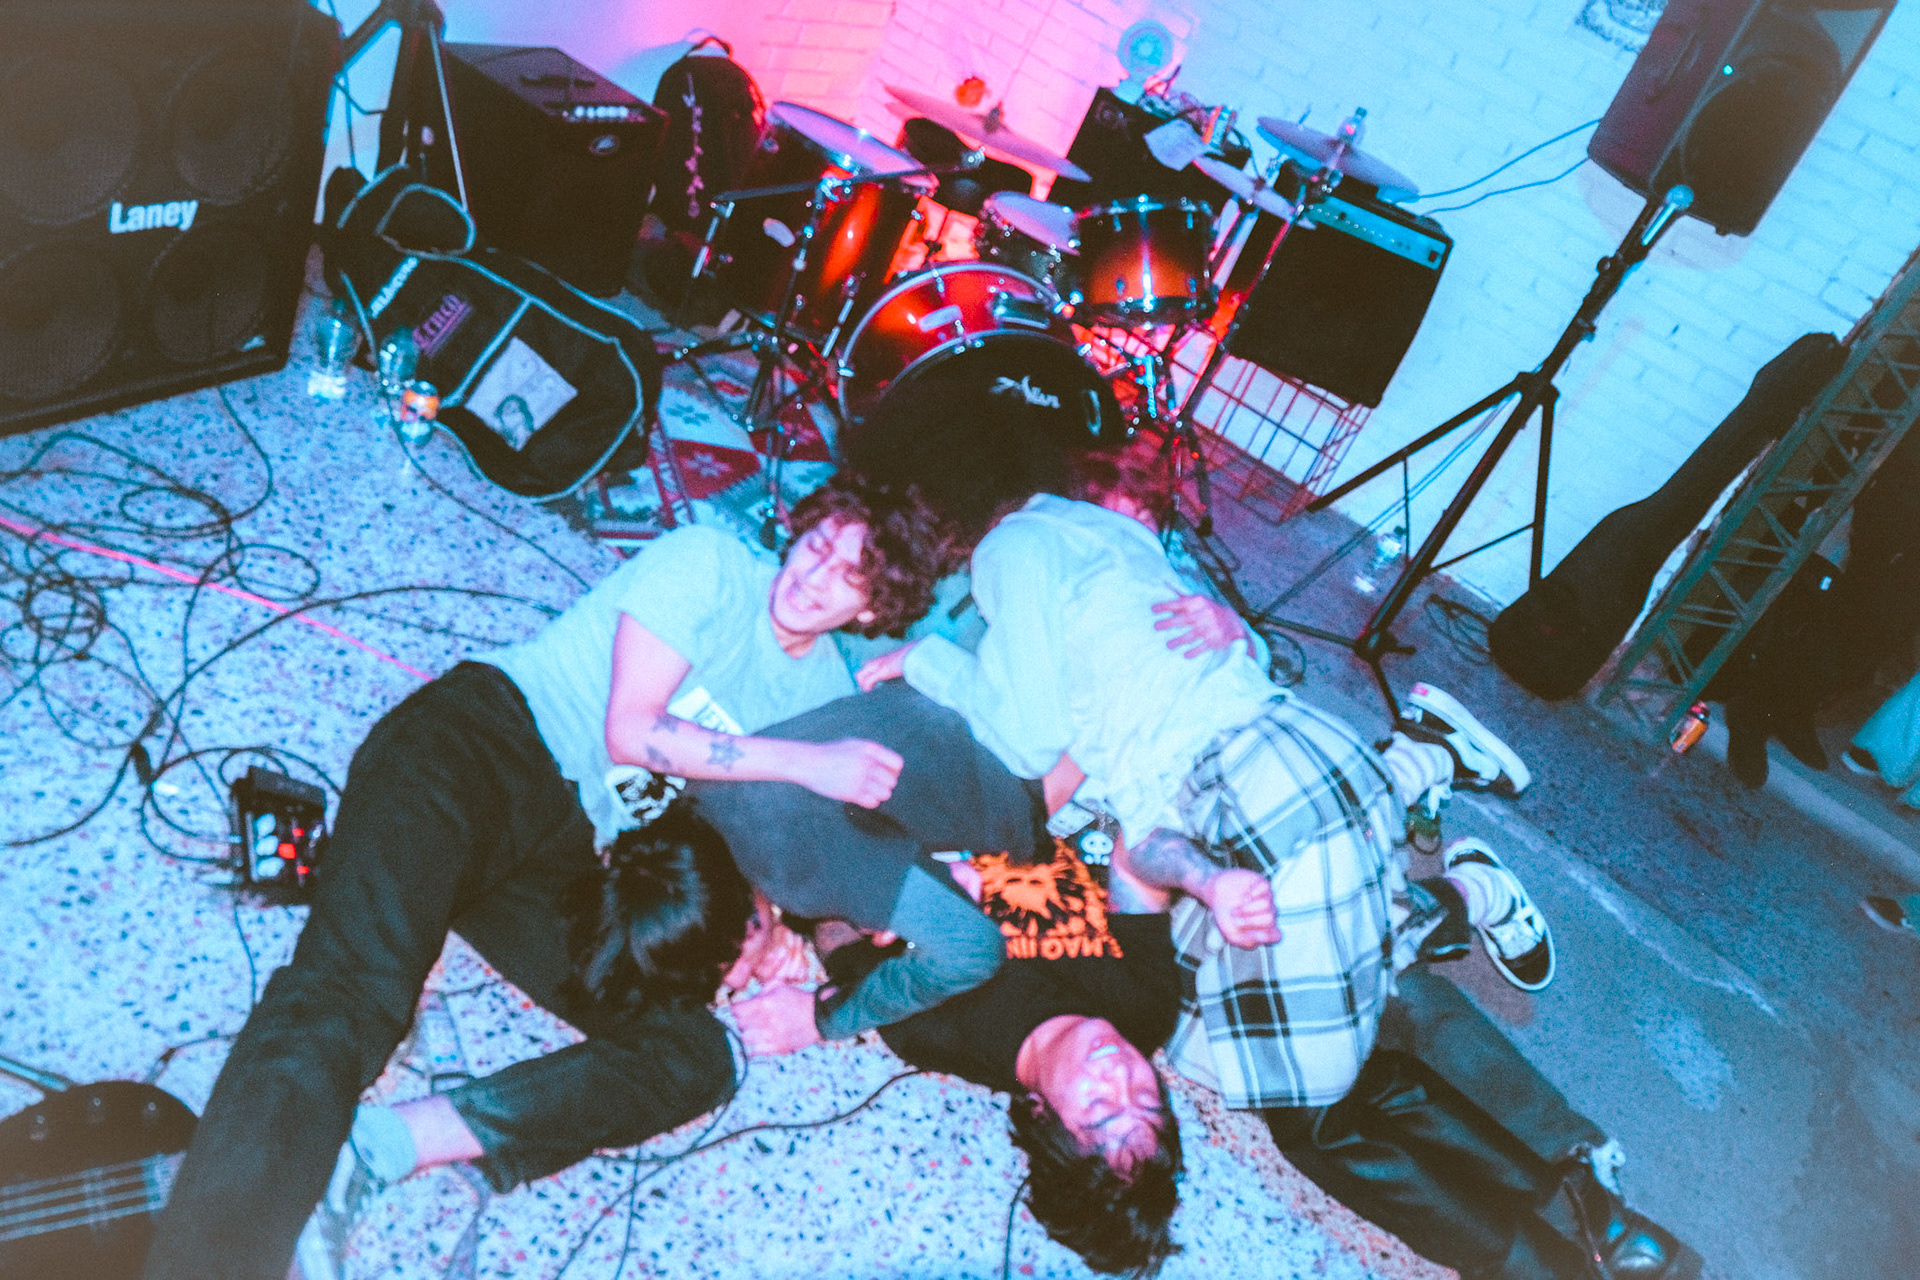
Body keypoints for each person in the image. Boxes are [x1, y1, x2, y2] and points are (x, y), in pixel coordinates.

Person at [857, 447, 1698, 1279]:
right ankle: (1457, 870)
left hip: (1205, 806)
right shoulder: (1025, 592)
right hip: (1186, 832)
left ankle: (1563, 1230)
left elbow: (1045, 796)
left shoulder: (942, 1017)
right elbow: (1098, 833)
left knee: (1324, 1087)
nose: (1123, 1077)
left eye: (1106, 1108)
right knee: (1361, 1012)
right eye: (1142, 1102)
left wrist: (968, 879)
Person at [142, 474, 952, 1280]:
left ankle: (385, 1145)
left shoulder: (825, 697)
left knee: (698, 1053)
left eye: (848, 576)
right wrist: (808, 764)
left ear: (874, 609)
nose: (812, 577)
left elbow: (769, 846)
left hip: (581, 862)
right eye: (817, 545)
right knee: (353, 993)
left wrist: (769, 928)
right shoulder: (710, 564)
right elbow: (633, 731)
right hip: (481, 747)